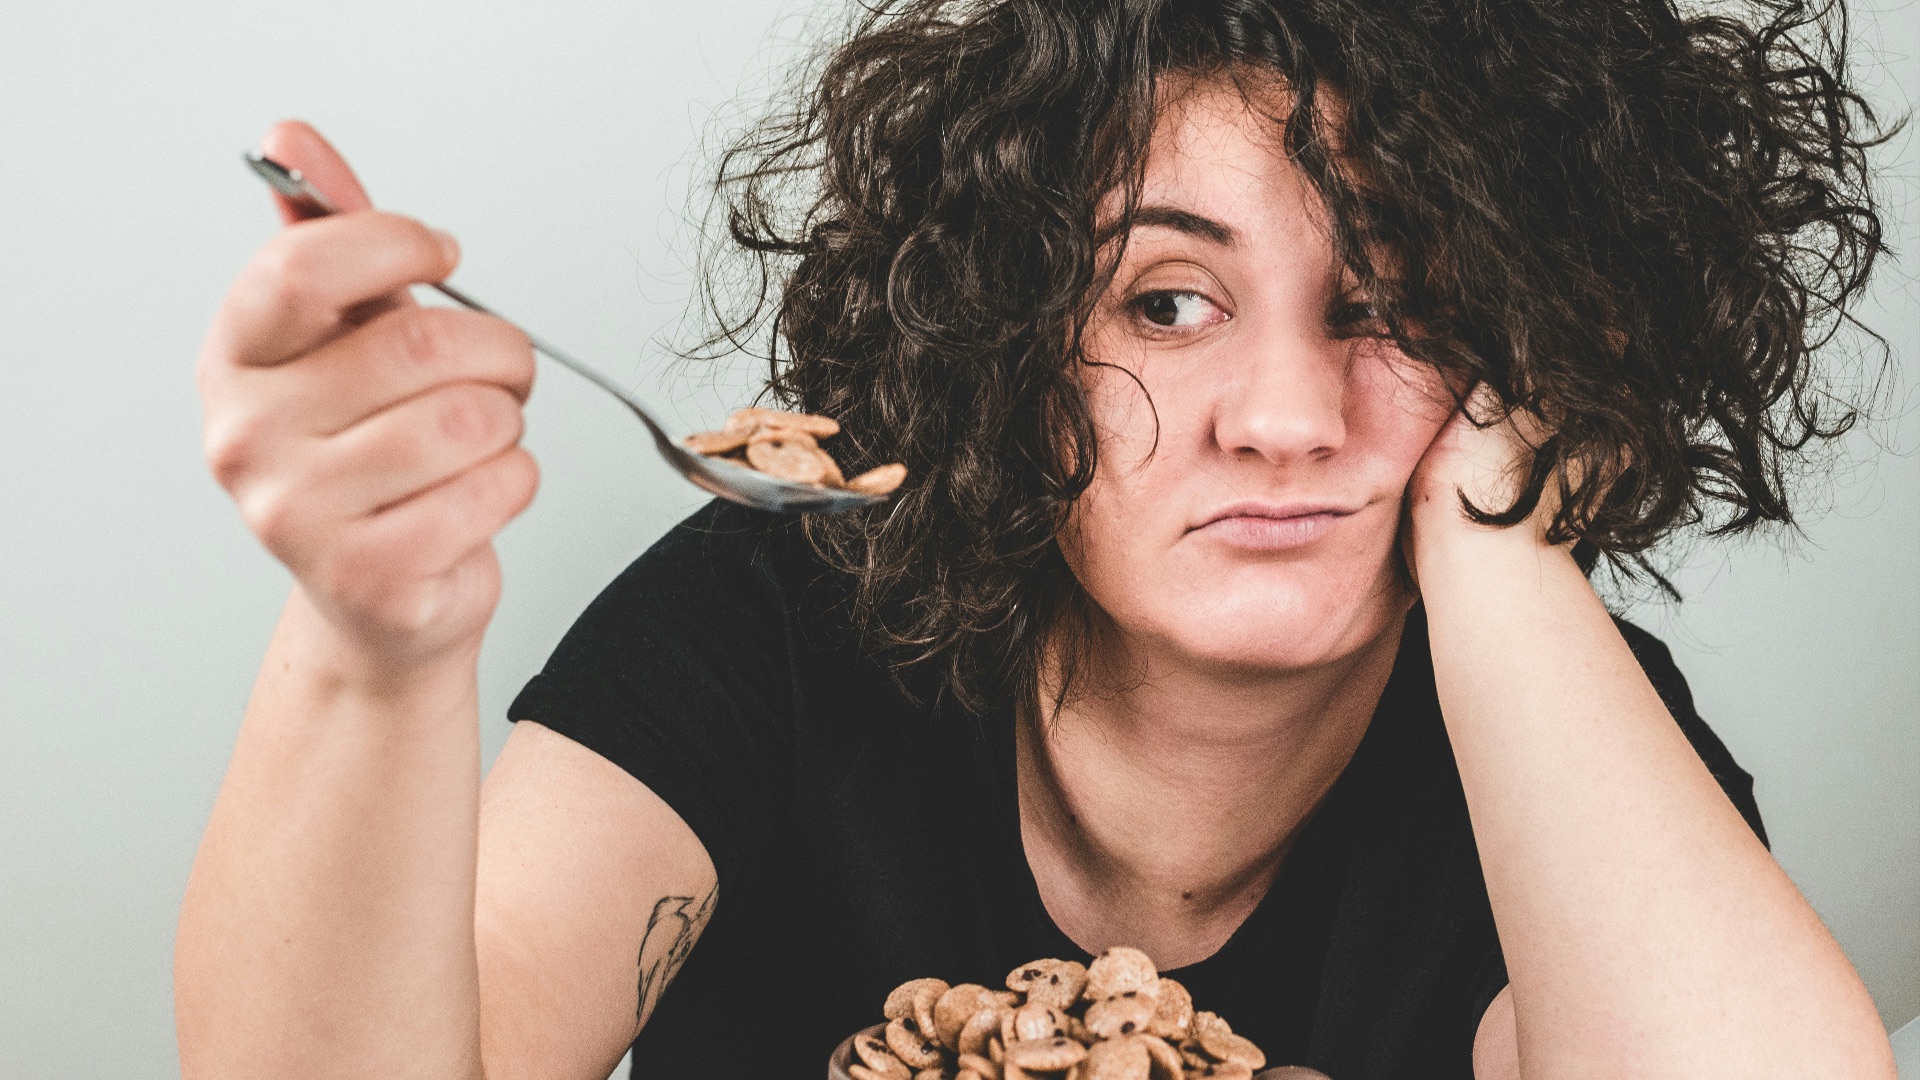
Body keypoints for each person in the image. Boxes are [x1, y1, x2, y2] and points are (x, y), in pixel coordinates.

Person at [174, 1, 1900, 1077]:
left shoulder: (1561, 728)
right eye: (1166, 301)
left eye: (1391, 305)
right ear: (1007, 338)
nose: (1284, 416)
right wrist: (369, 647)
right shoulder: (775, 621)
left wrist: (1512, 541)